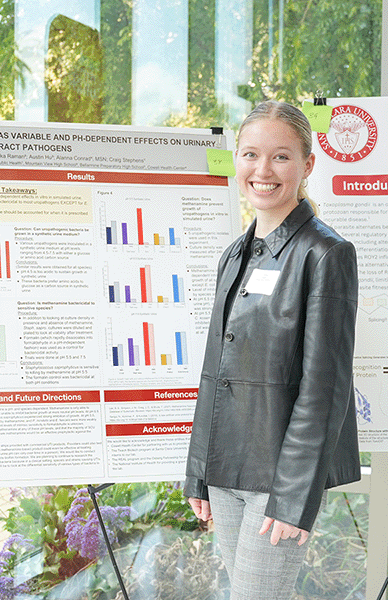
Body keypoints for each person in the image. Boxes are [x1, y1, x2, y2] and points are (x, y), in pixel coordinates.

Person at [184, 101, 360, 599]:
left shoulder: (326, 254)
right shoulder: (234, 254)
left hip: (277, 482)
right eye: (250, 154)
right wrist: (199, 472)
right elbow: (213, 373)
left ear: (307, 164)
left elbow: (325, 388)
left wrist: (294, 498)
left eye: (280, 157)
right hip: (225, 472)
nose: (262, 171)